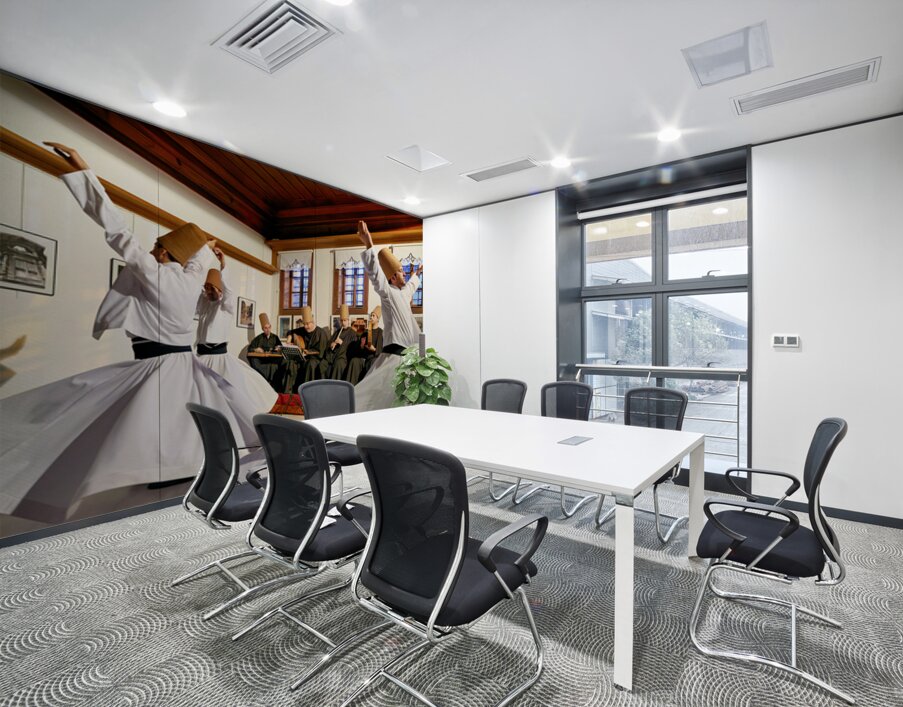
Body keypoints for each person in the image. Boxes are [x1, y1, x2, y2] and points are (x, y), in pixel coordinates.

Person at [0, 143, 260, 522]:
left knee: (98, 414)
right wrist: (208, 252)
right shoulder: (188, 280)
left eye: (158, 246)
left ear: (168, 253)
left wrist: (82, 172)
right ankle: (178, 484)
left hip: (159, 366)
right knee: (175, 428)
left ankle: (161, 486)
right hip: (181, 364)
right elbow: (199, 257)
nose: (152, 249)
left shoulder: (156, 274)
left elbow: (117, 231)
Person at [353, 221, 422, 410]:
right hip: (393, 356)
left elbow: (411, 285)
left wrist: (418, 273)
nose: (404, 275)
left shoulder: (403, 293)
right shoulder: (388, 293)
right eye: (400, 272)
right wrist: (369, 244)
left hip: (406, 357)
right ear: (392, 277)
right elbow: (375, 274)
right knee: (378, 399)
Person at [195, 262, 277, 412]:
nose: (208, 292)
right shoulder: (205, 306)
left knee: (224, 395)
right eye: (206, 289)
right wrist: (205, 281)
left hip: (217, 357)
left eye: (211, 289)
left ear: (219, 290)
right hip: (201, 356)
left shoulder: (225, 306)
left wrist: (223, 267)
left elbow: (229, 292)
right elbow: (197, 292)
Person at [345, 305, 383, 385]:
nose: (371, 317)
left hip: (373, 358)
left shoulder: (381, 333)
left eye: (373, 316)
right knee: (354, 361)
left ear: (377, 319)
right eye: (371, 316)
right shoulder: (366, 332)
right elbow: (360, 350)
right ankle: (351, 388)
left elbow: (382, 351)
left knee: (373, 362)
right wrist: (361, 346)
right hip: (363, 358)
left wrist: (374, 350)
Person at [248, 313, 283, 391]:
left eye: (268, 327)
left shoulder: (275, 337)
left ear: (270, 327)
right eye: (265, 328)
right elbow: (250, 348)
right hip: (262, 360)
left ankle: (273, 387)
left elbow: (280, 347)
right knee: (254, 361)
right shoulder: (259, 338)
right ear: (262, 329)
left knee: (275, 365)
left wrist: (278, 348)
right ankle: (262, 385)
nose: (267, 330)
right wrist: (255, 349)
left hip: (272, 359)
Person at [323, 304, 358, 380]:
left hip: (344, 358)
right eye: (341, 320)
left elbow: (353, 349)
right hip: (333, 357)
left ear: (348, 320)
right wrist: (331, 344)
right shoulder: (337, 332)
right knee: (322, 364)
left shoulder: (353, 333)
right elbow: (329, 344)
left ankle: (335, 388)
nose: (343, 322)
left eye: (345, 320)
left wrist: (342, 343)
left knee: (338, 364)